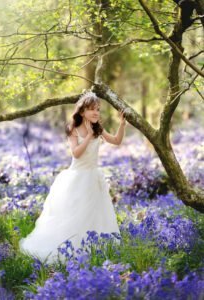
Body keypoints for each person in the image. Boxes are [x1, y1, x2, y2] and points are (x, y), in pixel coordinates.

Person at [19, 91, 127, 264]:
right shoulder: (73, 128)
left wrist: (122, 124)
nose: (96, 113)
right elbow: (76, 153)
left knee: (96, 215)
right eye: (92, 109)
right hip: (77, 178)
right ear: (82, 111)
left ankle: (93, 251)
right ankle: (71, 252)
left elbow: (116, 141)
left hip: (94, 178)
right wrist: (90, 137)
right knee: (74, 216)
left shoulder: (98, 127)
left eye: (98, 109)